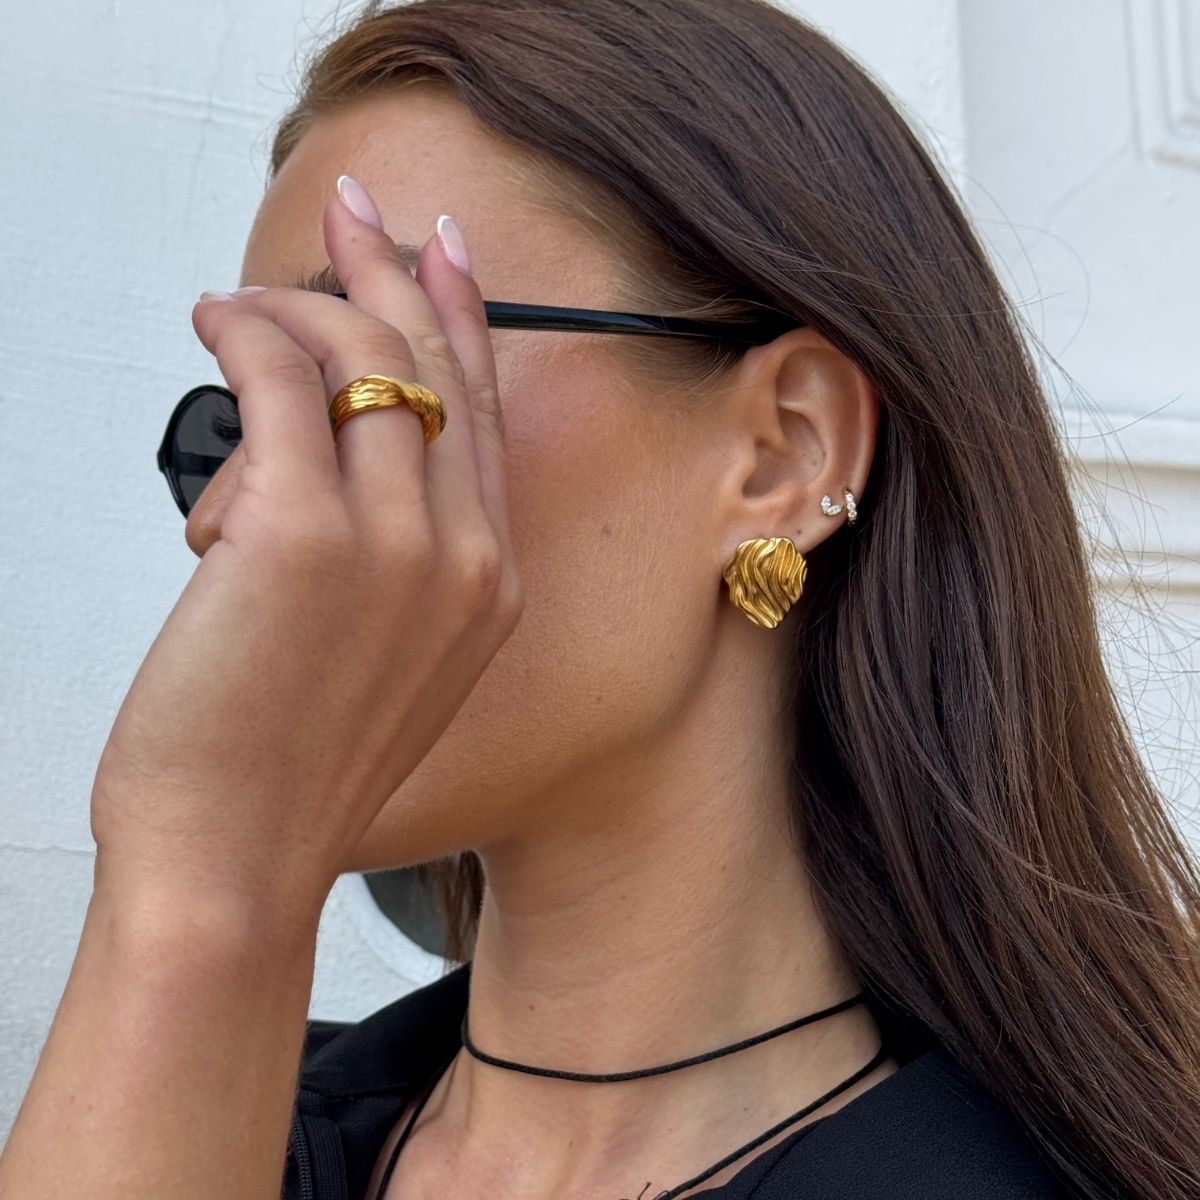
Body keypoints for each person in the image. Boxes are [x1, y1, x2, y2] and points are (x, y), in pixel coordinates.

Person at [2, 0, 1198, 1197]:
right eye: (243, 416)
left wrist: (210, 882)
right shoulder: (198, 1109)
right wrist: (194, 888)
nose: (243, 512)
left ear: (783, 453)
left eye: (372, 375)